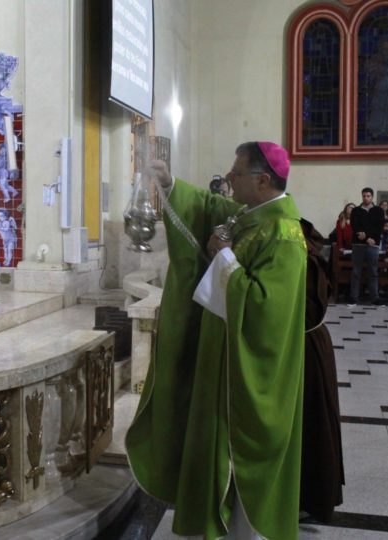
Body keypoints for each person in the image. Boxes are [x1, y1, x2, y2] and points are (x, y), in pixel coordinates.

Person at [126, 142, 307, 539]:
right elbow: (210, 206)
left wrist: (224, 258)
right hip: (222, 363)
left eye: (236, 173)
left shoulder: (284, 235)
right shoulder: (252, 216)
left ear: (262, 181)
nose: (229, 179)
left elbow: (265, 309)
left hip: (245, 381)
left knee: (241, 477)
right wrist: (171, 183)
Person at [299, 218, 344, 523]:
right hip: (309, 344)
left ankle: (308, 498)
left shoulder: (300, 256)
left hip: (306, 348)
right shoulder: (302, 246)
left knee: (311, 421)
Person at [349, 187, 386, 306]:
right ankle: (354, 297)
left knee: (373, 271)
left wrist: (370, 237)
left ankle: (375, 297)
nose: (366, 198)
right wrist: (366, 238)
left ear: (372, 197)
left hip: (373, 244)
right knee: (356, 271)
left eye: (368, 196)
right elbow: (355, 226)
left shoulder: (378, 210)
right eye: (364, 196)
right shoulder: (356, 211)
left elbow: (379, 227)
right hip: (358, 244)